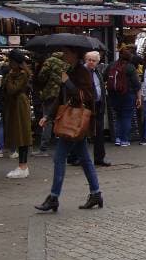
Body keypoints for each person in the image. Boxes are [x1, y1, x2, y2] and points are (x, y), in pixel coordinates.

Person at [35, 47, 102, 213]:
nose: (64, 55)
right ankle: (95, 193)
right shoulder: (70, 70)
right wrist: (48, 115)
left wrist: (67, 82)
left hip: (75, 121)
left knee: (59, 158)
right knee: (85, 160)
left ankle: (54, 197)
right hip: (72, 121)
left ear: (75, 54)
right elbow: (60, 97)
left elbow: (85, 96)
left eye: (67, 53)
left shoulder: (82, 72)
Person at [2, 50, 33, 179]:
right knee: (19, 134)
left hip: (19, 104)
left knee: (22, 134)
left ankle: (23, 166)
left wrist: (8, 77)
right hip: (14, 105)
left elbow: (12, 89)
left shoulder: (22, 74)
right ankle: (22, 165)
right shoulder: (15, 73)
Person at [33, 51, 66, 156]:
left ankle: (43, 148)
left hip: (50, 93)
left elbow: (41, 76)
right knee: (61, 118)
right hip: (62, 93)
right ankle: (64, 146)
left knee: (47, 119)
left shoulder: (49, 61)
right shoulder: (66, 62)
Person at [107, 46, 141, 147]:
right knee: (126, 117)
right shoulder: (130, 67)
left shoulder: (112, 65)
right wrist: (139, 98)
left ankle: (117, 138)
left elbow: (105, 76)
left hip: (114, 95)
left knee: (118, 116)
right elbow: (137, 84)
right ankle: (124, 139)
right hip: (128, 95)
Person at [84, 50, 110, 166]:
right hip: (86, 106)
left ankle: (99, 158)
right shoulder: (82, 72)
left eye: (93, 60)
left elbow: (100, 86)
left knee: (99, 132)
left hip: (98, 105)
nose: (91, 62)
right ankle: (77, 157)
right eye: (89, 60)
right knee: (82, 132)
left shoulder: (98, 71)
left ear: (97, 62)